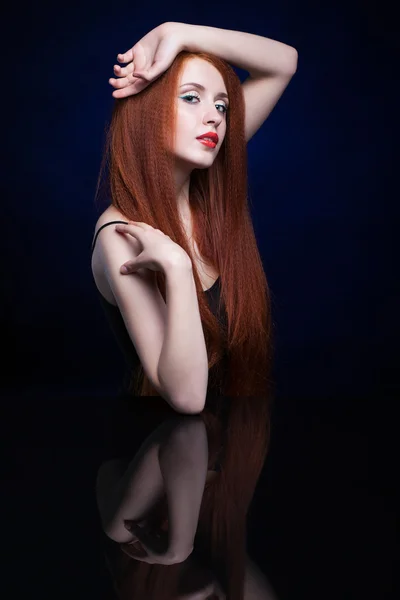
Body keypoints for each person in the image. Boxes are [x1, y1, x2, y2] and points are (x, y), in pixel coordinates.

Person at [91, 20, 297, 588]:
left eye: (223, 106)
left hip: (228, 469)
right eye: (191, 99)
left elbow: (284, 61)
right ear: (148, 111)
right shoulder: (121, 234)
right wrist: (178, 270)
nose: (215, 118)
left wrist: (177, 32)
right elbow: (183, 397)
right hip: (155, 489)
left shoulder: (206, 191)